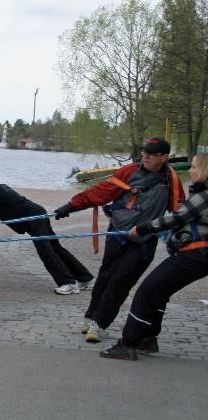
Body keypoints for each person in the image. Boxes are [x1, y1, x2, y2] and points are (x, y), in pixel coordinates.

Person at [54, 137, 184, 343]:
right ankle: (90, 315)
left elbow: (179, 210)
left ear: (164, 157)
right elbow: (101, 192)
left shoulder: (171, 179)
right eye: (144, 152)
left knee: (121, 281)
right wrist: (70, 206)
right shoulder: (128, 172)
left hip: (144, 240)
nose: (146, 156)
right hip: (118, 234)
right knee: (106, 276)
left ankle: (99, 323)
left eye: (151, 154)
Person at [100, 153, 208, 360]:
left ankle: (128, 343)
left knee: (147, 291)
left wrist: (142, 229)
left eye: (194, 167)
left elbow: (175, 218)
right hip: (197, 256)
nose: (191, 171)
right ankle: (148, 339)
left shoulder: (203, 197)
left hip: (194, 254)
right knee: (159, 292)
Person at [0, 169, 94, 294]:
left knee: (46, 251)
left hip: (34, 218)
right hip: (36, 214)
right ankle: (85, 278)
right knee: (56, 248)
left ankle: (68, 283)